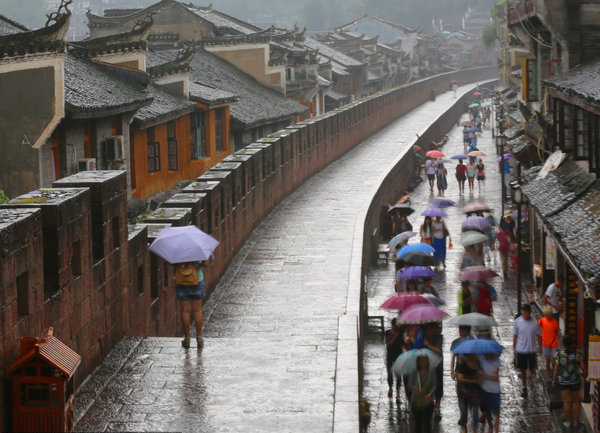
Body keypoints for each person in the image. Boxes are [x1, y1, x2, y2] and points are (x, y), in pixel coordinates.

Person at [553, 335, 586, 429]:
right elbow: (583, 368)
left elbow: (556, 369)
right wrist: (584, 376)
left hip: (563, 382)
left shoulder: (559, 355)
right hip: (575, 381)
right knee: (576, 401)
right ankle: (576, 422)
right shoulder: (578, 354)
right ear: (572, 343)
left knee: (567, 402)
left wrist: (554, 380)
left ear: (563, 344)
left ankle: (569, 422)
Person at [175, 260, 206, 349]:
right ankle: (199, 338)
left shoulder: (178, 247)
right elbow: (206, 264)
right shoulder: (200, 246)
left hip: (182, 280)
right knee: (197, 310)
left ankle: (187, 338)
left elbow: (171, 263)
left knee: (185, 311)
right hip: (197, 279)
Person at [512, 303, 542, 398]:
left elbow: (538, 336)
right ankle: (524, 387)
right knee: (523, 370)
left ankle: (533, 383)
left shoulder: (535, 322)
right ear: (522, 312)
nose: (526, 314)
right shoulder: (517, 322)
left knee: (532, 369)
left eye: (528, 312)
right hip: (521, 350)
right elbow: (515, 336)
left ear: (530, 312)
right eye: (524, 312)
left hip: (532, 350)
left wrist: (540, 347)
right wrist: (514, 348)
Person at [408, 355, 437, 433]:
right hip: (416, 401)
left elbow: (434, 385)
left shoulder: (431, 371)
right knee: (418, 423)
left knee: (427, 423)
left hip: (428, 401)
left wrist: (429, 395)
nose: (423, 362)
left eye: (425, 360)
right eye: (421, 360)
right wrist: (416, 389)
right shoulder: (414, 372)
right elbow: (410, 385)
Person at [456, 353, 481, 433]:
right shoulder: (462, 363)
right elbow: (460, 378)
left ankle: (474, 429)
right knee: (463, 411)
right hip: (463, 392)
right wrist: (473, 380)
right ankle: (464, 427)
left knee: (475, 412)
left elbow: (481, 376)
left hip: (475, 392)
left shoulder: (478, 363)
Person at [423, 323, 444, 419]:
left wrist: (428, 345)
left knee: (438, 388)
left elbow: (439, 351)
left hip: (437, 366)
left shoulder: (439, 337)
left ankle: (437, 407)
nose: (431, 331)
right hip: (428, 368)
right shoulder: (423, 337)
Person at [478, 353, 501, 433]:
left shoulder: (496, 360)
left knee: (496, 412)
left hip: (495, 390)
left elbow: (496, 378)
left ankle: (496, 431)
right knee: (487, 411)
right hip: (484, 390)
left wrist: (484, 375)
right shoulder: (480, 359)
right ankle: (490, 425)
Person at [538, 305, 560, 381]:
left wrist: (558, 342)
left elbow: (557, 332)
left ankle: (554, 375)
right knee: (547, 360)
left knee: (554, 361)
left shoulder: (555, 322)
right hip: (546, 344)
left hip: (553, 344)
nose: (548, 316)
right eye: (546, 314)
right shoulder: (542, 320)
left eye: (549, 314)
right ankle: (548, 375)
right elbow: (538, 328)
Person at [386, 318, 405, 401]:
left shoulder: (401, 332)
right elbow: (388, 344)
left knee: (398, 376)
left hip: (399, 357)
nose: (396, 328)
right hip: (390, 356)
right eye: (395, 326)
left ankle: (398, 394)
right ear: (392, 325)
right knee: (390, 374)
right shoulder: (388, 333)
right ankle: (390, 388)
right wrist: (395, 336)